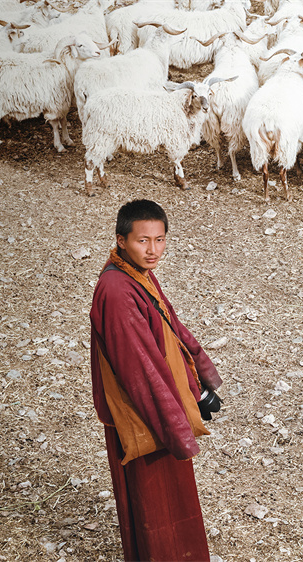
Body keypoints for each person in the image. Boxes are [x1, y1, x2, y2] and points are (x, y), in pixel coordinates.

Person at [89, 199, 223, 562]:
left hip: (165, 402)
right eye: (142, 241)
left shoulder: (136, 274)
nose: (153, 250)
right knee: (154, 506)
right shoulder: (116, 291)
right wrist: (174, 423)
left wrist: (198, 383)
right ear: (121, 240)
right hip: (146, 411)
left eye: (160, 240)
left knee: (171, 502)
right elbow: (138, 368)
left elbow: (171, 326)